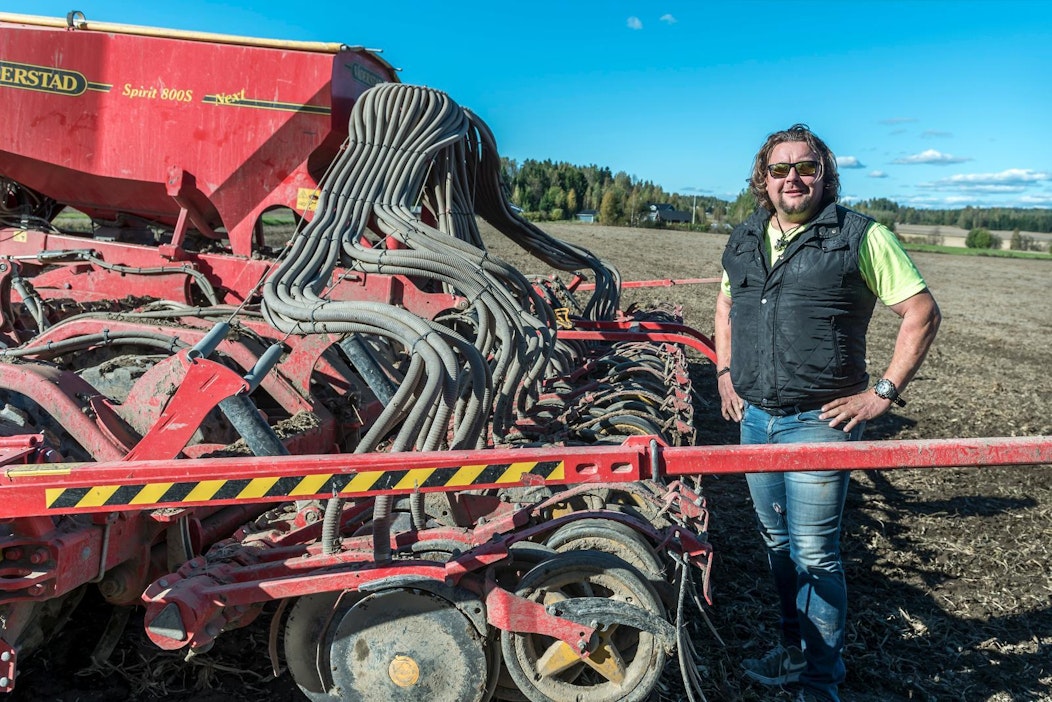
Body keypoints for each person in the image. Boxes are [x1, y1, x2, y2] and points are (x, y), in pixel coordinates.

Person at [713, 124, 941, 702]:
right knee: (776, 543)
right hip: (756, 418)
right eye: (780, 168)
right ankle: (793, 650)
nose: (793, 177)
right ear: (763, 179)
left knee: (815, 553)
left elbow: (921, 312)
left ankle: (821, 683)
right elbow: (725, 303)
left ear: (825, 175)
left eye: (806, 167)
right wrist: (723, 372)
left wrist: (881, 394)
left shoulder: (860, 235)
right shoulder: (744, 237)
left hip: (821, 420)